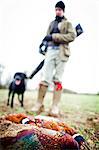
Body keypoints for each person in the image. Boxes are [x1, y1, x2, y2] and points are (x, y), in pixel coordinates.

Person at [31, 1, 76, 116]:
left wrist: (54, 37)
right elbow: (47, 36)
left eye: (59, 9)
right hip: (50, 51)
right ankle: (39, 104)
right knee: (45, 78)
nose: (57, 11)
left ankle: (55, 106)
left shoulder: (68, 23)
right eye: (56, 9)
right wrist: (42, 44)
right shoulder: (51, 23)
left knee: (58, 79)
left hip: (62, 52)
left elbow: (72, 36)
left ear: (63, 11)